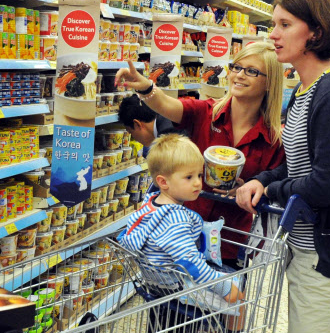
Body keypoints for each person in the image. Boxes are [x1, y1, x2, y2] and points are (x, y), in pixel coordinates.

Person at [235, 0, 330, 333]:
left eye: (285, 24)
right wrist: (264, 179)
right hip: (307, 250)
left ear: (315, 32)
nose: (273, 34)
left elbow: (327, 184)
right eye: (273, 24)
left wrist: (270, 190)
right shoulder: (304, 91)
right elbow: (297, 164)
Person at [115, 42, 285, 269]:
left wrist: (254, 185)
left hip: (228, 242)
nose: (239, 75)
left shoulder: (273, 139)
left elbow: (277, 178)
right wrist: (146, 87)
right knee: (170, 303)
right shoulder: (206, 112)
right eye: (236, 67)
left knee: (223, 300)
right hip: (179, 235)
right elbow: (167, 105)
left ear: (269, 83)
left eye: (251, 71)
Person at [117, 134, 244, 333]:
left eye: (199, 175)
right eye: (188, 177)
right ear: (163, 182)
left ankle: (210, 330)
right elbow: (189, 262)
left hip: (157, 280)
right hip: (178, 284)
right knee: (238, 289)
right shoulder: (176, 219)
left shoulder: (151, 204)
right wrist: (223, 288)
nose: (197, 183)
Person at [117, 94, 189, 148]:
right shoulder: (166, 120)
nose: (134, 138)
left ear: (137, 124)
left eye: (130, 132)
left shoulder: (168, 137)